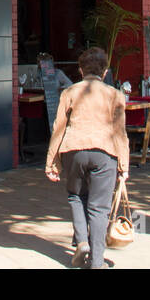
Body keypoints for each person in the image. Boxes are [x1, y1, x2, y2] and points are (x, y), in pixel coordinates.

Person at [45, 46, 130, 269]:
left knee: (75, 195)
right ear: (104, 72)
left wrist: (51, 162)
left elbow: (58, 128)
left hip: (74, 150)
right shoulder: (116, 95)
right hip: (106, 152)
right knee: (99, 208)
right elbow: (121, 133)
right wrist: (124, 165)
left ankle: (82, 242)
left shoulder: (69, 93)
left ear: (81, 71)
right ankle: (97, 261)